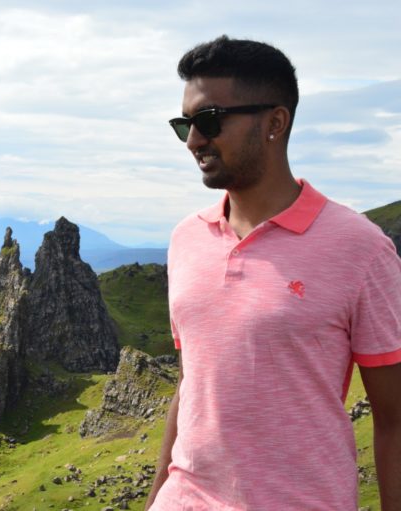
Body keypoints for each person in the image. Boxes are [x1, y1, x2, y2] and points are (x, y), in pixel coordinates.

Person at [145, 35, 401, 510]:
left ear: (275, 122)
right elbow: (193, 382)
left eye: (209, 121)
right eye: (185, 125)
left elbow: (394, 419)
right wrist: (158, 494)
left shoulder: (362, 249)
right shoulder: (186, 239)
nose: (195, 140)